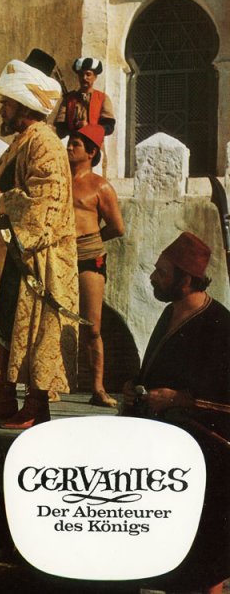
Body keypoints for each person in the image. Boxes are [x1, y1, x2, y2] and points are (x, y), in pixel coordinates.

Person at [0, 54, 79, 430]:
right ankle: (2, 401)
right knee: (2, 328)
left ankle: (35, 408)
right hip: (13, 257)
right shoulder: (23, 141)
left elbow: (45, 207)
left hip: (36, 261)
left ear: (24, 106)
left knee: (34, 333)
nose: (1, 109)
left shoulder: (45, 143)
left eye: (7, 103)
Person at [122, 232, 230, 593]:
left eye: (162, 273)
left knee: (203, 561)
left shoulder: (219, 324)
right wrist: (136, 386)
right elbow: (156, 371)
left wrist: (178, 399)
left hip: (207, 457)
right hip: (164, 452)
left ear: (186, 280)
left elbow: (223, 395)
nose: (153, 278)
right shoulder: (171, 312)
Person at [67, 124, 125, 407]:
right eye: (69, 143)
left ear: (91, 152)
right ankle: (51, 386)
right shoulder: (58, 181)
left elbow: (117, 227)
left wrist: (91, 240)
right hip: (60, 255)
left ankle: (98, 388)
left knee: (91, 326)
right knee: (53, 323)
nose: (69, 147)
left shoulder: (100, 186)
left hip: (90, 256)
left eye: (76, 144)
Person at [54, 57, 115, 139]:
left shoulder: (103, 98)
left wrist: (89, 128)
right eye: (81, 75)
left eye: (88, 74)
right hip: (73, 143)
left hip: (93, 144)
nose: (84, 78)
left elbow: (109, 127)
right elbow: (60, 127)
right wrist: (75, 126)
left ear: (95, 77)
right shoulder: (69, 99)